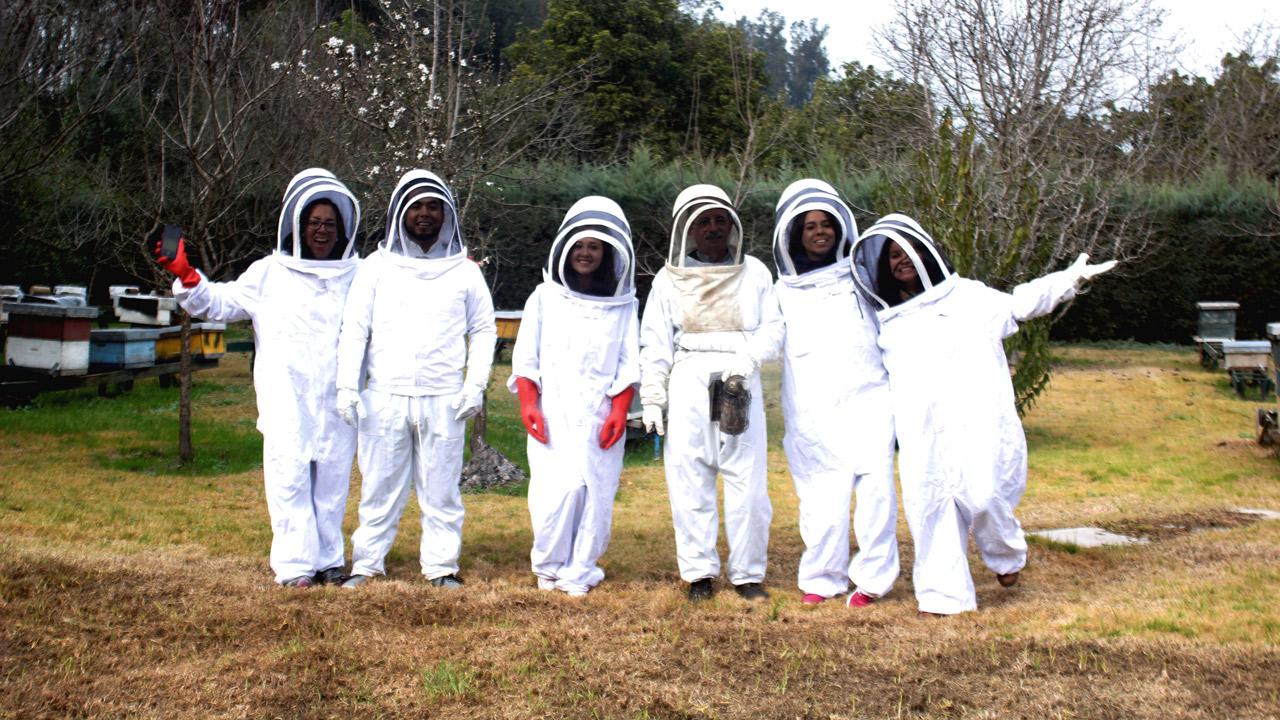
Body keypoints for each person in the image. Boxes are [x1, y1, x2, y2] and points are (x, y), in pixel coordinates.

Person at [849, 214, 1116, 615]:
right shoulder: (887, 321)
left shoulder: (969, 298)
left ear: (927, 251)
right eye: (892, 256)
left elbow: (1021, 305)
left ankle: (1006, 555)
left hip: (977, 421)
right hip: (923, 433)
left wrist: (1068, 281)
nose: (902, 260)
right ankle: (944, 597)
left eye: (909, 250)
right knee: (931, 507)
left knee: (987, 496)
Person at [155, 168, 362, 588]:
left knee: (332, 484)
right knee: (289, 482)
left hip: (338, 400)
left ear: (343, 229)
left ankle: (328, 561)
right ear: (297, 225)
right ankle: (295, 567)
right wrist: (189, 276)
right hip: (286, 397)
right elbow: (218, 302)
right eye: (314, 222)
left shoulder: (357, 275)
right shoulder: (268, 272)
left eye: (329, 224)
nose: (321, 231)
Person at [335, 169, 496, 590]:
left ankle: (441, 567)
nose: (425, 214)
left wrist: (473, 385)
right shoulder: (374, 269)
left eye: (433, 207)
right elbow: (355, 329)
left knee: (441, 492)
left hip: (444, 398)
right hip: (385, 396)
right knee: (379, 489)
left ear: (446, 215)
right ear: (399, 214)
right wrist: (347, 387)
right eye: (416, 207)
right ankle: (367, 564)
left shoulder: (465, 272)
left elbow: (483, 330)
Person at [639, 184, 783, 602]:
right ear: (687, 229)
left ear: (732, 225)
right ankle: (699, 572)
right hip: (688, 376)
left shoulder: (755, 272)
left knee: (748, 480)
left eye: (720, 219)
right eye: (703, 221)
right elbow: (655, 341)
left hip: (740, 376)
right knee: (690, 476)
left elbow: (774, 328)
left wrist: (750, 357)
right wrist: (653, 395)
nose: (713, 227)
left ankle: (748, 574)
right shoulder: (668, 279)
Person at [771, 180, 899, 607]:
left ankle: (872, 580)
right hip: (812, 407)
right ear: (795, 234)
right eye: (810, 226)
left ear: (840, 227)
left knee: (876, 493)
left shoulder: (862, 277)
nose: (820, 232)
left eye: (827, 224)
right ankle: (822, 578)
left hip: (869, 399)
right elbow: (766, 340)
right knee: (821, 496)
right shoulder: (780, 291)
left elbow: (893, 324)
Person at [508, 196, 640, 597]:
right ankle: (548, 566)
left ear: (608, 253)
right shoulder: (544, 297)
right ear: (566, 248)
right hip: (554, 409)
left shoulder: (624, 306)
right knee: (556, 490)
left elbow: (628, 362)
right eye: (580, 245)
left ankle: (580, 569)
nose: (585, 253)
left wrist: (619, 410)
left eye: (594, 247)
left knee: (596, 492)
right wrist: (529, 403)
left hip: (599, 413)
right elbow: (526, 357)